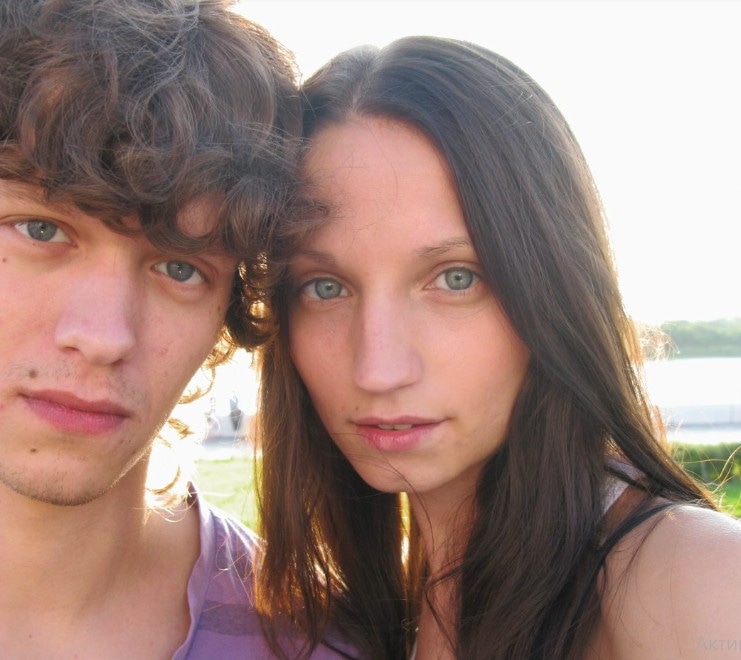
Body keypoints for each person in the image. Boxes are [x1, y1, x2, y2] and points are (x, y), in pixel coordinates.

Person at [254, 36, 741, 659]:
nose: (377, 368)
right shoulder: (373, 609)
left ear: (555, 289)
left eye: (456, 278)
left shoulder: (693, 582)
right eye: (326, 287)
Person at [0, 0, 352, 657]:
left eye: (180, 268)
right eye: (41, 229)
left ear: (228, 310)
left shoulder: (310, 645)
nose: (103, 336)